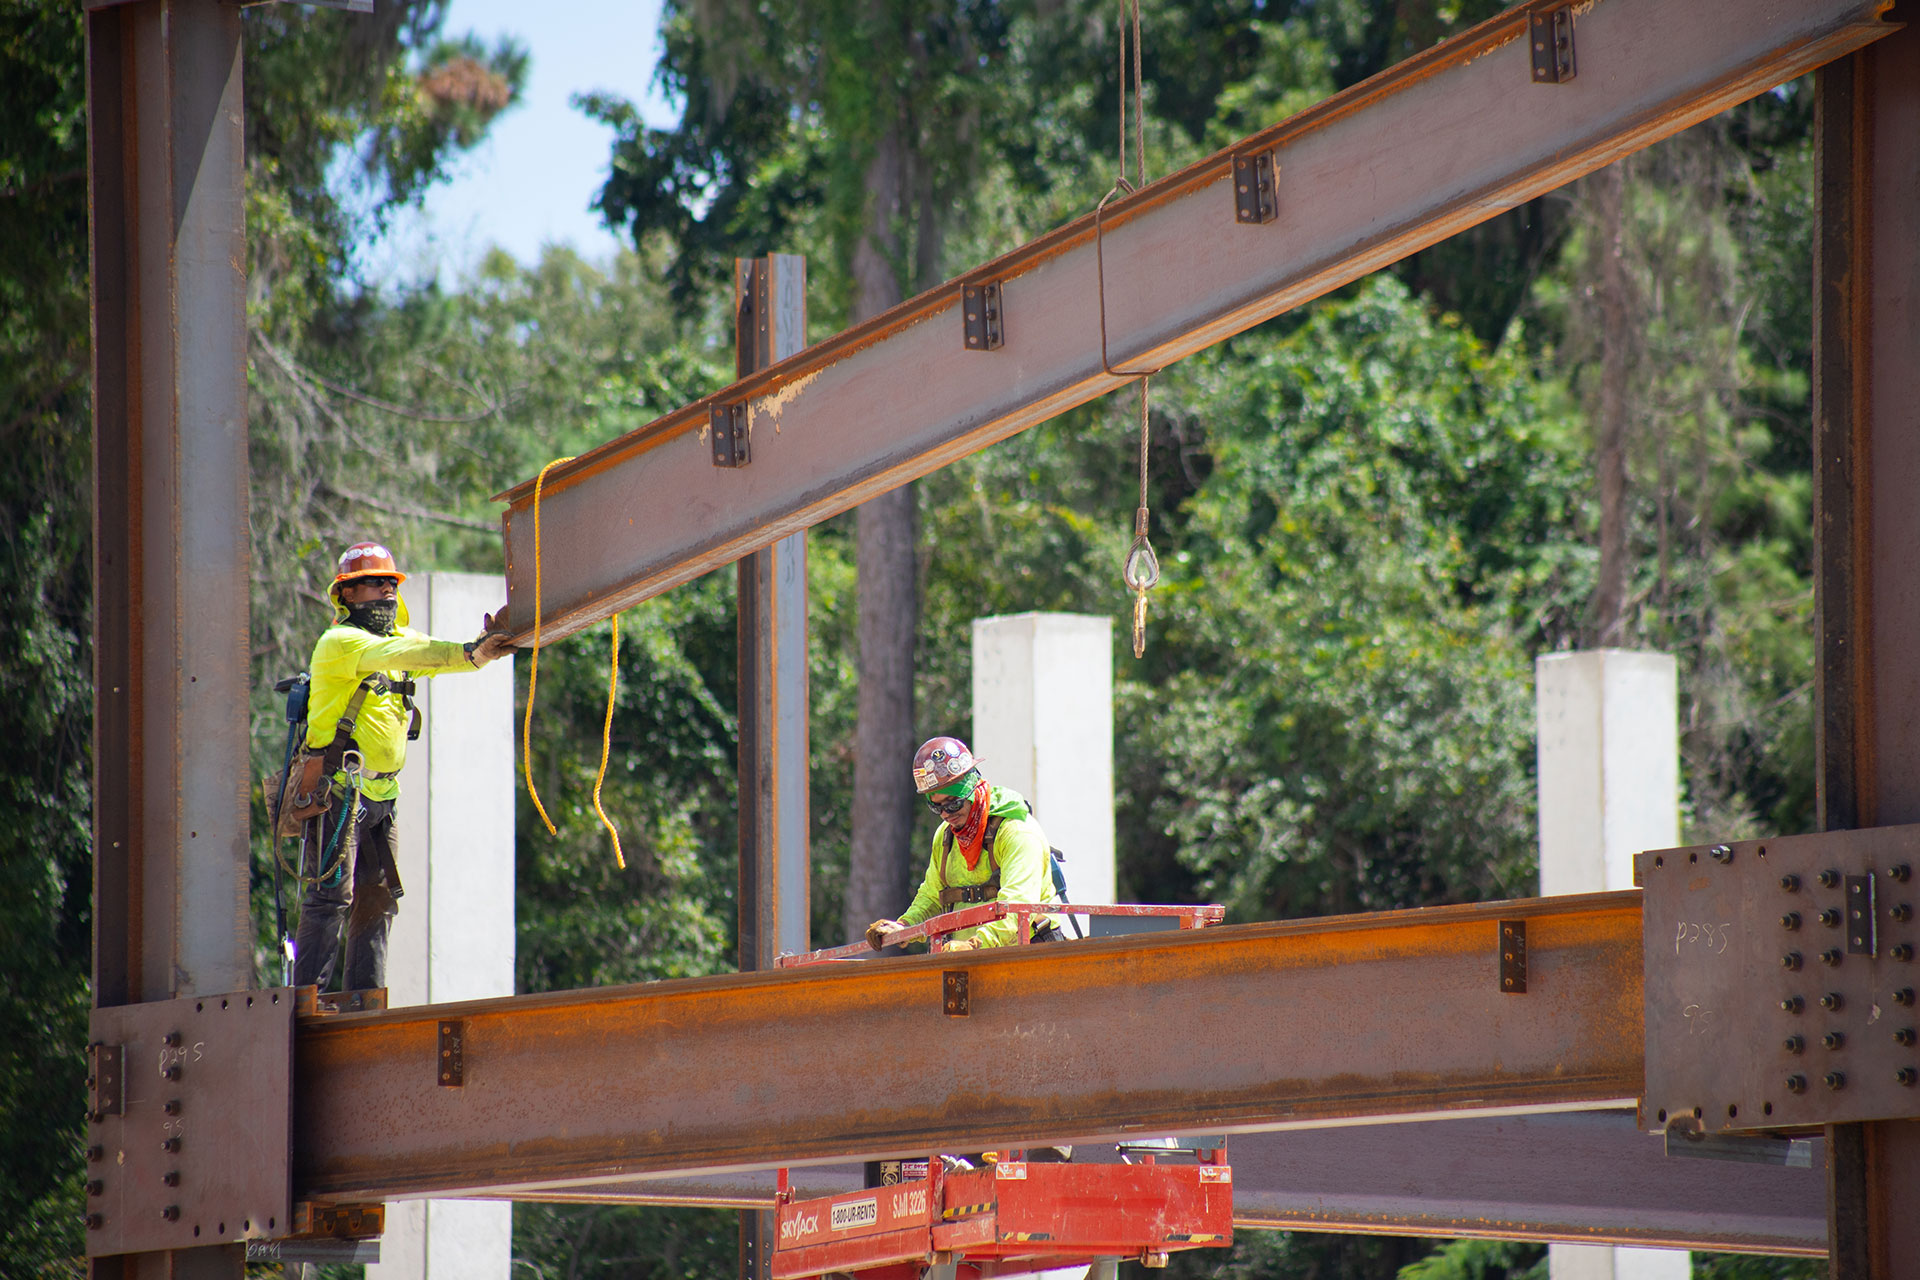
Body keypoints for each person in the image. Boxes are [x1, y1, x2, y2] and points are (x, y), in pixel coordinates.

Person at [292, 541, 513, 992]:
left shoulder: (399, 642)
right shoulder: (341, 642)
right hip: (337, 791)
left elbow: (437, 653)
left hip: (381, 796)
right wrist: (472, 651)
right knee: (330, 898)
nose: (387, 593)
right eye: (374, 585)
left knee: (377, 901)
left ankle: (365, 1002)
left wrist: (479, 653)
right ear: (348, 595)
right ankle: (304, 1004)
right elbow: (410, 656)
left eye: (391, 584)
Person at [865, 736, 1066, 952]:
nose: (945, 815)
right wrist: (903, 927)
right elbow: (933, 895)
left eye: (953, 805)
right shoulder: (946, 837)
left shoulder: (1017, 832)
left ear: (972, 790)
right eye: (936, 807)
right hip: (970, 957)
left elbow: (1017, 908)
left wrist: (974, 946)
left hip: (1027, 952)